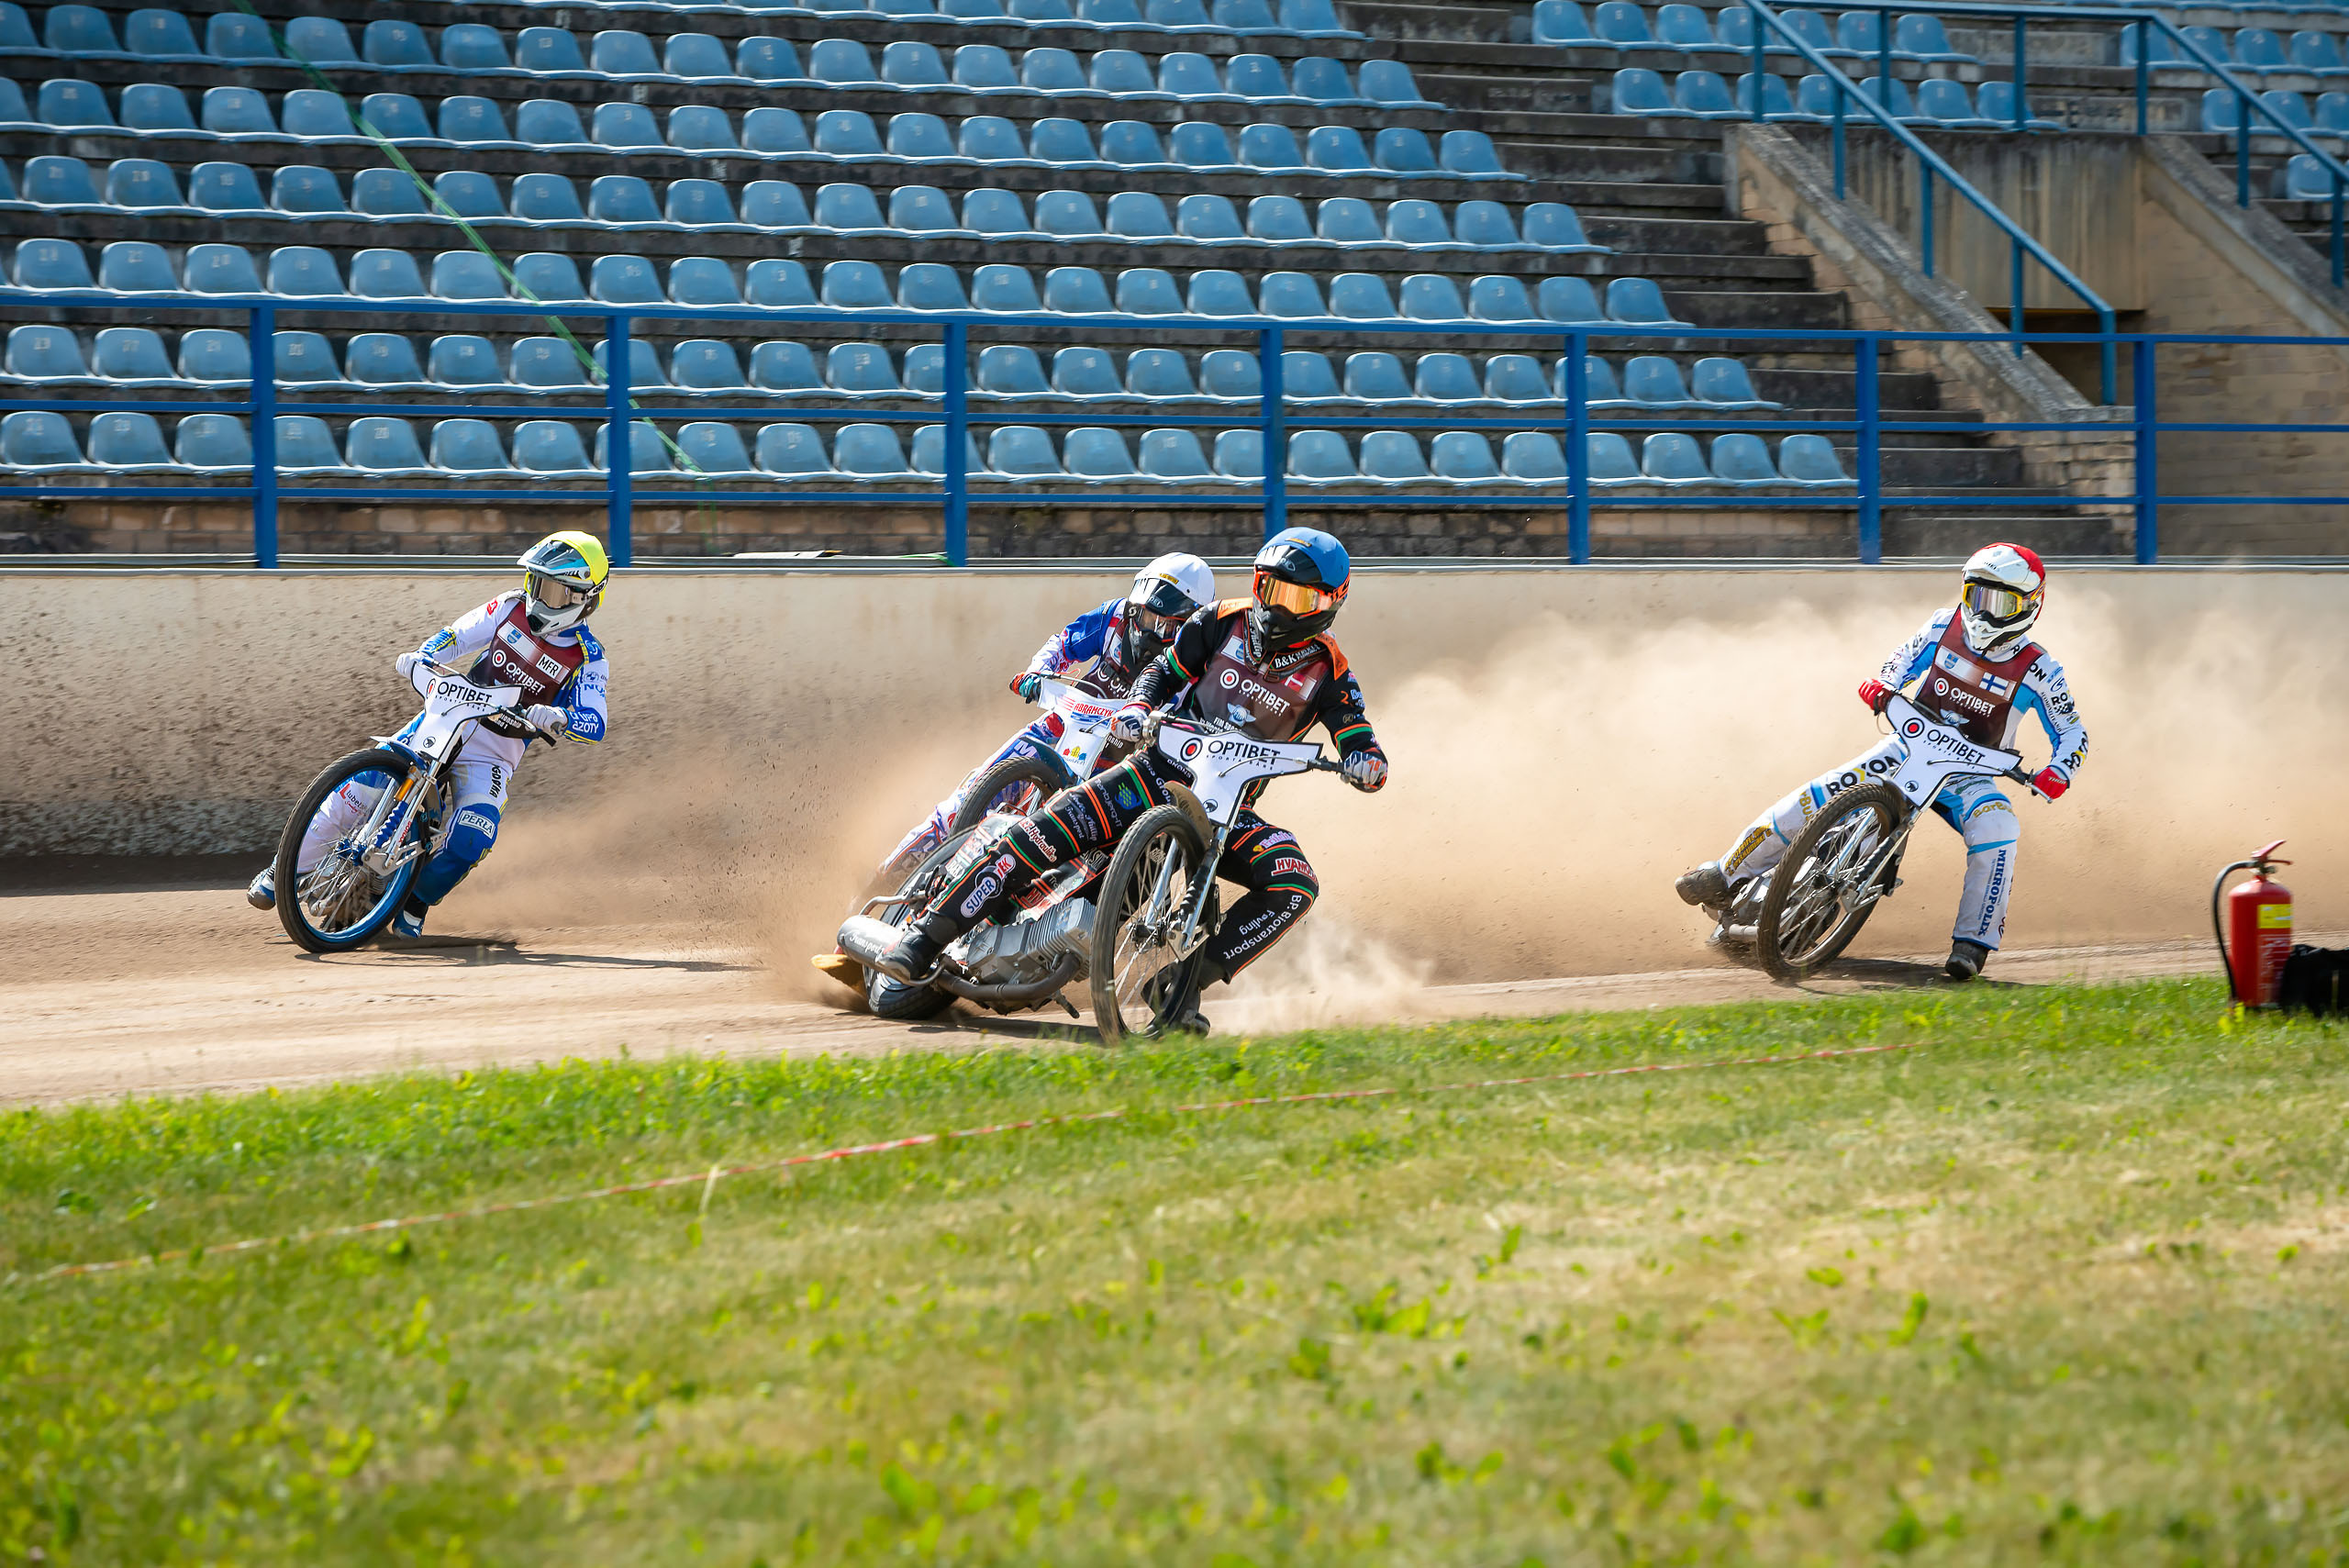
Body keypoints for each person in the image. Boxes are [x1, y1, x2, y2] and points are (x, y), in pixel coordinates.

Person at [843, 527, 1387, 1029]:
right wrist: (1141, 704)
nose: (1275, 607)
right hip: (1152, 772)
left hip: (1225, 813)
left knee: (1295, 882)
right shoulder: (1220, 619)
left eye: (1295, 598)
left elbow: (1357, 733)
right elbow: (1164, 669)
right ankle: (924, 937)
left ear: (1329, 604)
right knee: (1037, 835)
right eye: (1269, 588)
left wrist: (1367, 763)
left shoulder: (1331, 672)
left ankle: (1181, 984)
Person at [1674, 542, 2087, 981]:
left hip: (1968, 774)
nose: (1982, 614)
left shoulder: (2040, 669)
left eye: (1998, 602)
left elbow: (2073, 733)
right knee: (1817, 794)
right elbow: (1902, 658)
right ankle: (1724, 873)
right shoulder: (1941, 625)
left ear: (2029, 606)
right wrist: (1885, 683)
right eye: (1975, 596)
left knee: (1999, 826)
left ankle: (1973, 942)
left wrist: (2058, 772)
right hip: (1906, 745)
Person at [247, 530, 612, 939]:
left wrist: (559, 717)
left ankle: (415, 902)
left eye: (553, 591)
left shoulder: (588, 657)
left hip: (493, 754)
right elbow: (457, 634)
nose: (538, 597)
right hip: (447, 716)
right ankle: (284, 869)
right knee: (358, 787)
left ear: (583, 598)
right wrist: (425, 655)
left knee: (474, 835)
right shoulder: (509, 607)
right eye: (536, 583)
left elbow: (595, 722)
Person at [874, 552, 1218, 879]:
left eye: (1164, 624)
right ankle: (884, 879)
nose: (1148, 630)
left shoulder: (1196, 668)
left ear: (1189, 626)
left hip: (1116, 763)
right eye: (1144, 616)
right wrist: (1037, 672)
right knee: (961, 802)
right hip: (1060, 726)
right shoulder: (1113, 617)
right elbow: (1064, 642)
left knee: (1093, 853)